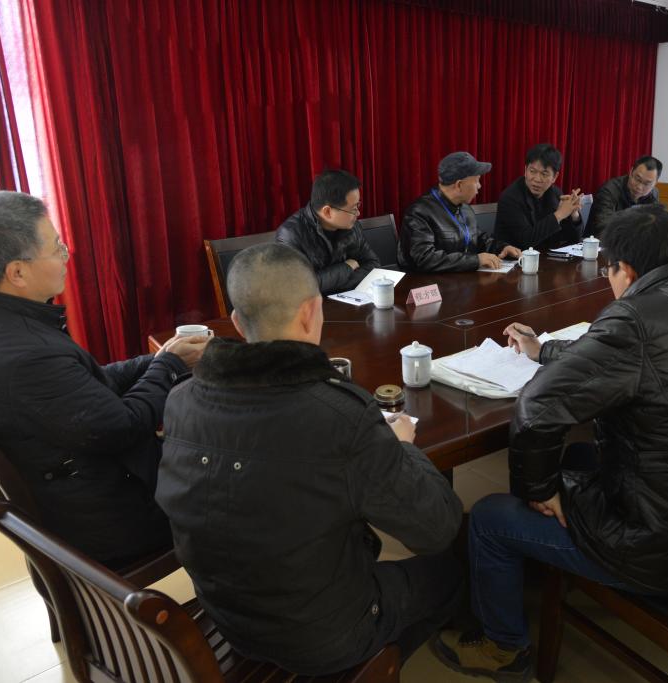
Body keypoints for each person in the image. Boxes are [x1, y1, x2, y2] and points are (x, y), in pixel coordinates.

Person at [432, 205, 668, 680]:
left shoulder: (634, 317)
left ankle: (503, 647)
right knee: (580, 454)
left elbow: (537, 409)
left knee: (488, 517)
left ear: (625, 269)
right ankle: (543, 564)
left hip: (663, 547)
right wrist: (543, 349)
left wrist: (540, 491)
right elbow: (625, 356)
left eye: (609, 271)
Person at [155, 243, 463, 675]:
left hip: (224, 615)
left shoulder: (181, 398)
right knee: (452, 566)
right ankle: (378, 664)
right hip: (324, 636)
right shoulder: (339, 416)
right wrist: (402, 448)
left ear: (238, 322)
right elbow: (436, 528)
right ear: (311, 311)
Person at [0, 191, 208, 567]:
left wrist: (156, 359)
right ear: (17, 273)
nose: (66, 254)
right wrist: (167, 366)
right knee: (246, 478)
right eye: (56, 247)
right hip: (115, 520)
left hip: (76, 489)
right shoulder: (24, 355)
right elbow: (122, 427)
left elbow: (84, 386)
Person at [398, 151, 521, 271]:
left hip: (462, 280)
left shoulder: (465, 208)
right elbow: (425, 258)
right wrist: (475, 260)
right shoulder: (419, 212)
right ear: (459, 185)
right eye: (477, 180)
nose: (479, 186)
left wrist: (502, 248)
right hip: (426, 282)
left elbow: (479, 240)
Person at [275, 169, 380, 295]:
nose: (358, 213)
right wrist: (346, 268)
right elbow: (299, 287)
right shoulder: (291, 235)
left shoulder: (351, 225)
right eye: (353, 209)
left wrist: (329, 283)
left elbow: (373, 265)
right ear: (327, 212)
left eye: (358, 205)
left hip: (351, 300)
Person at [495, 143, 583, 250]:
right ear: (525, 170)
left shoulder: (556, 194)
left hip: (546, 257)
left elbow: (574, 239)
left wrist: (573, 215)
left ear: (555, 177)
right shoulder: (510, 198)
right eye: (532, 171)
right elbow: (526, 241)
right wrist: (559, 214)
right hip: (515, 258)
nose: (537, 179)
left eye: (544, 174)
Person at [583, 155, 661, 237]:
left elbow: (654, 226)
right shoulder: (609, 190)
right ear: (631, 172)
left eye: (647, 184)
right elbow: (604, 227)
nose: (639, 187)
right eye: (637, 179)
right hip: (599, 241)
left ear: (655, 183)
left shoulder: (653, 194)